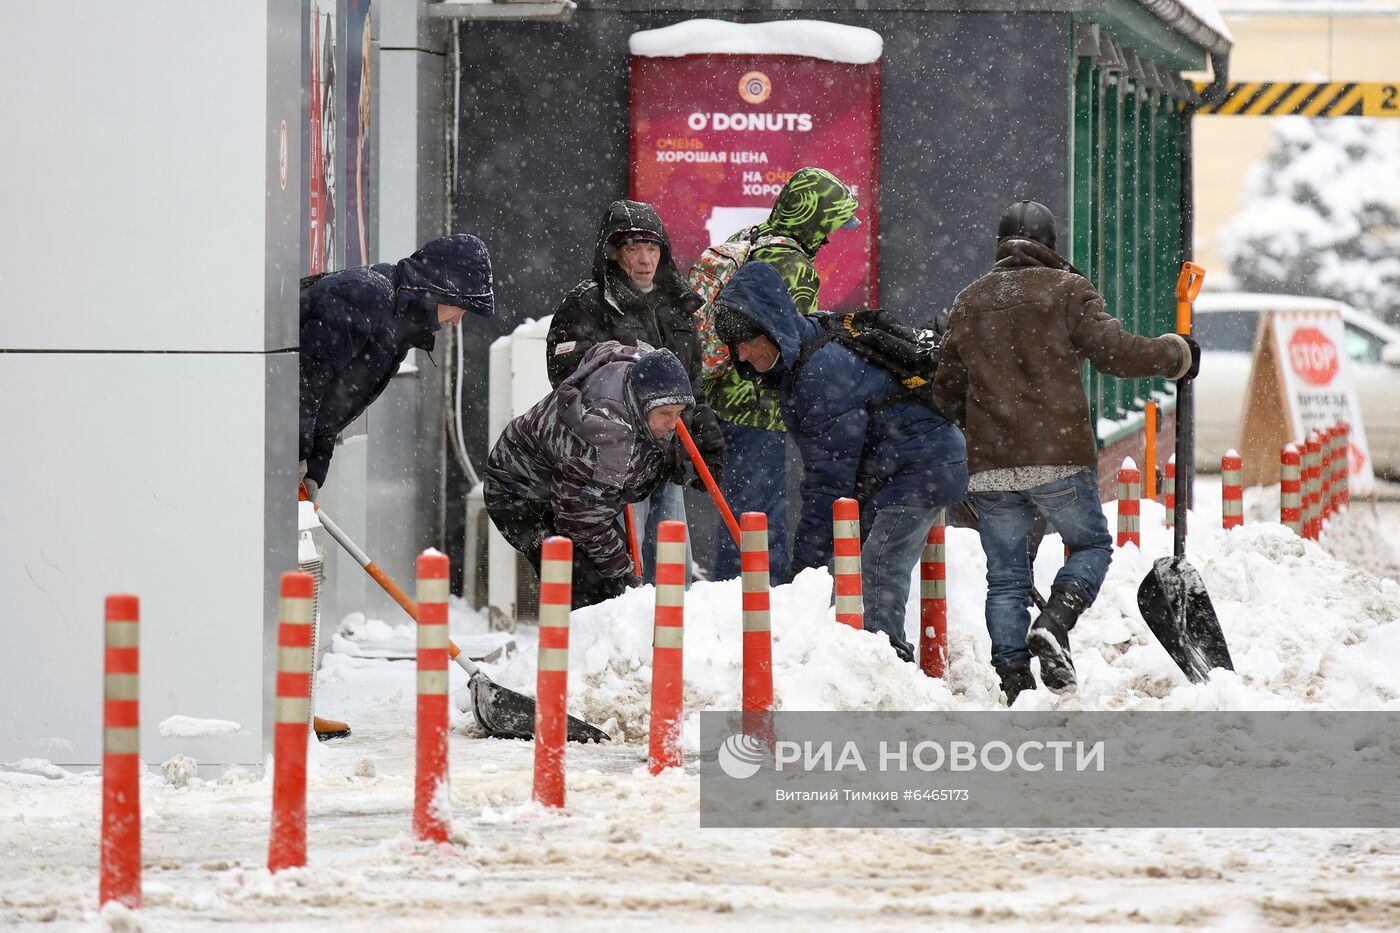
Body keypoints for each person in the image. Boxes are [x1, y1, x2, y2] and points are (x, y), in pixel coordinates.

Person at [931, 200, 1199, 705]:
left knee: (1006, 576)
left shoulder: (969, 302)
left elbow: (945, 391)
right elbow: (1115, 352)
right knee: (1091, 545)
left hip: (991, 467)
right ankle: (1055, 621)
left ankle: (1014, 682)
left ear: (999, 245)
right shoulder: (1068, 291)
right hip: (1057, 455)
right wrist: (1176, 354)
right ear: (1051, 245)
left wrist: (986, 426)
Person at [711, 261, 968, 663]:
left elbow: (829, 483)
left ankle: (887, 667)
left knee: (878, 570)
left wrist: (804, 567)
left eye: (747, 340)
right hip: (899, 469)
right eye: (734, 344)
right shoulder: (808, 346)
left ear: (772, 327)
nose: (741, 352)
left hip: (919, 469)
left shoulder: (818, 373)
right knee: (858, 570)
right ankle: (860, 659)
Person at [298, 233, 493, 739]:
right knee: (285, 584)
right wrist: (290, 461)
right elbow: (306, 382)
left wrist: (313, 471)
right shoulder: (361, 298)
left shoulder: (395, 322)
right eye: (461, 306)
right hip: (259, 454)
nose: (458, 320)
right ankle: (275, 708)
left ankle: (291, 705)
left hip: (290, 462)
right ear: (438, 289)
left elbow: (333, 410)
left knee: (300, 583)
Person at [695, 167, 862, 584]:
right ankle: (755, 613)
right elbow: (794, 349)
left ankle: (736, 602)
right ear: (813, 217)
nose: (827, 238)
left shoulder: (751, 239)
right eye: (829, 225)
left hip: (721, 400)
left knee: (741, 515)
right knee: (760, 518)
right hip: (759, 407)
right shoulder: (794, 265)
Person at [547, 201, 724, 581]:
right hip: (613, 465)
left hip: (668, 457)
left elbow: (692, 383)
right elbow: (568, 384)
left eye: (653, 249)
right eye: (633, 249)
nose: (645, 260)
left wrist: (704, 433)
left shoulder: (677, 307)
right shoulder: (587, 305)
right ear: (612, 254)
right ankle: (628, 636)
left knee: (672, 570)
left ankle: (673, 638)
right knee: (624, 569)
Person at [483, 343, 695, 609]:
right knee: (584, 579)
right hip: (518, 492)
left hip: (566, 481)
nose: (673, 424)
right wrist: (623, 575)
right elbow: (579, 520)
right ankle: (577, 643)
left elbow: (606, 349)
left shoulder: (634, 370)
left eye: (678, 414)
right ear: (641, 403)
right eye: (665, 414)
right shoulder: (604, 438)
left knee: (612, 563)